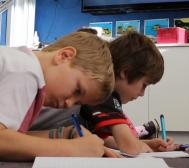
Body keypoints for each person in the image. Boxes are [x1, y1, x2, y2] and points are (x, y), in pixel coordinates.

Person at [31, 31, 175, 155]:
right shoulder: (104, 93)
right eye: (144, 85)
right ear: (125, 73)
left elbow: (104, 140)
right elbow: (129, 147)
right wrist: (141, 146)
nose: (142, 94)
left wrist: (148, 143)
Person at [0, 31, 114, 161]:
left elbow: (13, 138)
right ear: (65, 56)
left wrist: (64, 134)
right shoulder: (26, 71)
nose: (69, 104)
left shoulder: (20, 63)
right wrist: (73, 149)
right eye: (77, 90)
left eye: (77, 103)